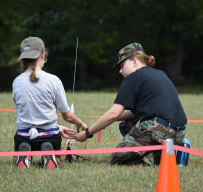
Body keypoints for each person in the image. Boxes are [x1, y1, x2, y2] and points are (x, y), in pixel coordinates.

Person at [75, 43, 187, 166]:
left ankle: (151, 158)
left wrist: (86, 134)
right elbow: (135, 112)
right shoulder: (160, 74)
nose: (120, 71)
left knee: (116, 159)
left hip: (159, 130)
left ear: (134, 61)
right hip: (179, 135)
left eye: (122, 65)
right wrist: (105, 119)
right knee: (125, 125)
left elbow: (113, 114)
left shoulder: (133, 77)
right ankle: (166, 152)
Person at [13, 36, 87, 169]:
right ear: (43, 54)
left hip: (24, 135)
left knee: (16, 157)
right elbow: (67, 116)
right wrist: (80, 123)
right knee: (57, 160)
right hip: (49, 135)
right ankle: (48, 152)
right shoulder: (53, 80)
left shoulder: (17, 82)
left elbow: (25, 115)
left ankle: (25, 155)